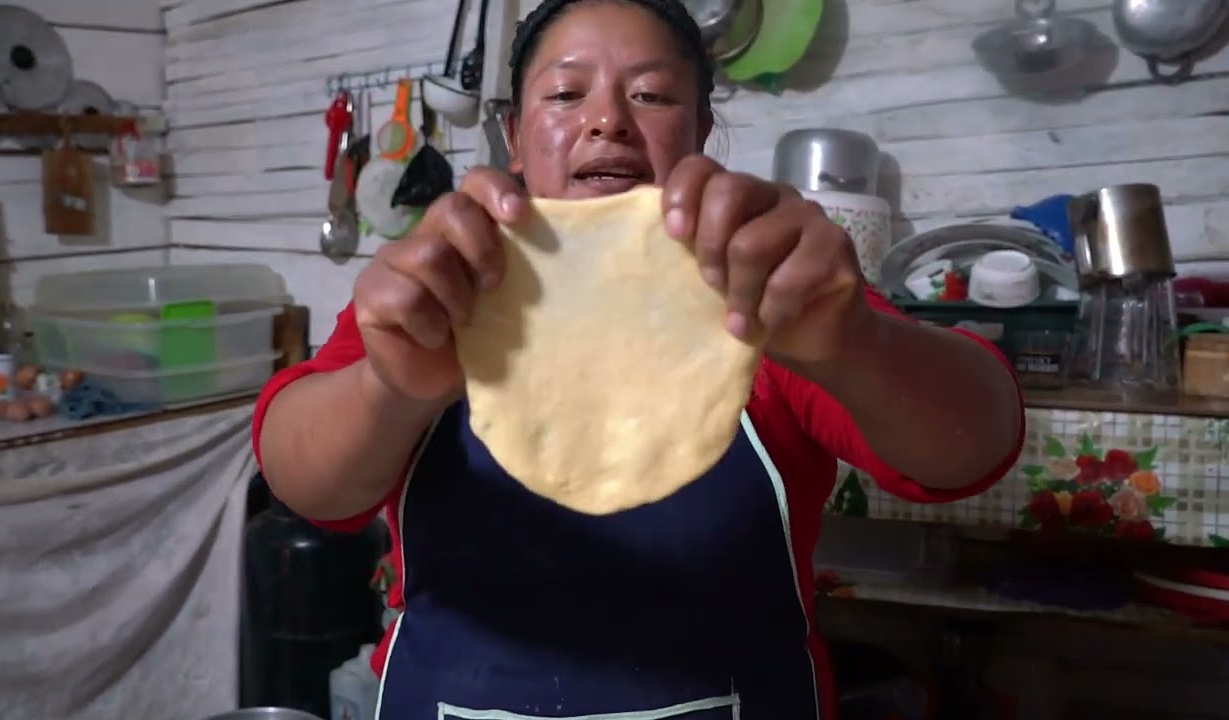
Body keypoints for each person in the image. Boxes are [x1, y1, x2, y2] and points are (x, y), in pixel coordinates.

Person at [253, 0, 1026, 716]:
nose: (607, 122)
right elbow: (309, 487)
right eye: (564, 95)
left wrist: (856, 339)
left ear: (699, 129)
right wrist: (391, 390)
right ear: (515, 135)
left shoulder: (763, 283)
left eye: (652, 95)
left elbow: (972, 448)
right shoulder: (440, 283)